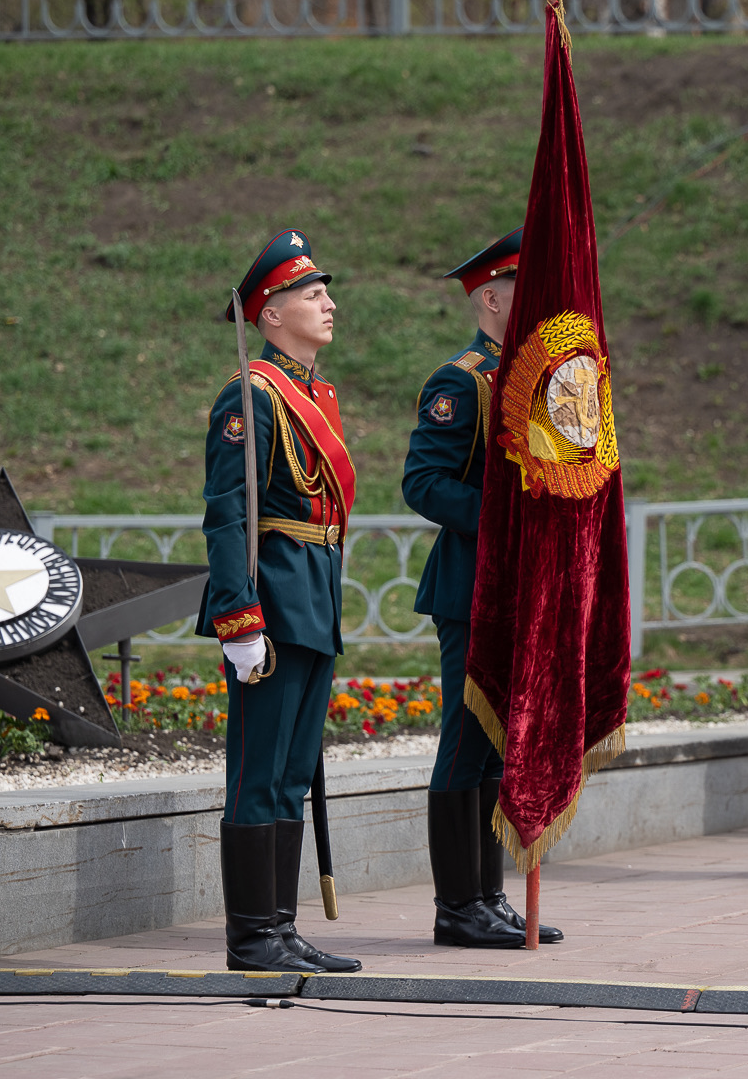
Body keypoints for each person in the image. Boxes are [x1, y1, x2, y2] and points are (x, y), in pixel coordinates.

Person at [199, 229, 362, 974]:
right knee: (258, 772)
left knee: (293, 772)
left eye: (326, 292)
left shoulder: (311, 393)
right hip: (269, 606)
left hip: (313, 599)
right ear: (268, 314)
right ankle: (251, 936)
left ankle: (281, 926)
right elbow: (229, 514)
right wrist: (239, 619)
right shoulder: (251, 394)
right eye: (310, 294)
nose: (328, 304)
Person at [402, 229, 560, 946]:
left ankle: (489, 896)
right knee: (465, 746)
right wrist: (503, 518)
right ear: (492, 298)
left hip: (522, 592)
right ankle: (455, 906)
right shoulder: (462, 382)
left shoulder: (540, 381)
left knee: (500, 749)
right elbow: (424, 484)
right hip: (471, 588)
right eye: (523, 288)